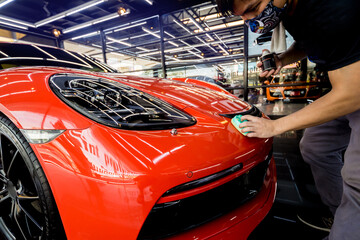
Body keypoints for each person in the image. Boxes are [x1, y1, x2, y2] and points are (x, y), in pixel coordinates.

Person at [216, 0, 360, 239]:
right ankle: (341, 217)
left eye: (254, 7)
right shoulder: (292, 10)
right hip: (350, 84)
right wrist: (282, 59)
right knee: (315, 146)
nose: (249, 19)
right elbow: (309, 41)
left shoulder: (334, 9)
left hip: (353, 88)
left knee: (356, 179)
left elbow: (352, 94)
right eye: (243, 15)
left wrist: (275, 126)